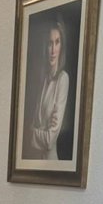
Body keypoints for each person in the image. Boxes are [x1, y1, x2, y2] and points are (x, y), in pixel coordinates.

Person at [23, 18, 70, 161]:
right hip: (35, 160)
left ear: (61, 46)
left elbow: (50, 139)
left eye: (57, 42)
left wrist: (31, 132)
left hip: (50, 160)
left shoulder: (63, 79)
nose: (53, 50)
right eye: (50, 43)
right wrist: (36, 131)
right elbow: (33, 123)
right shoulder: (43, 79)